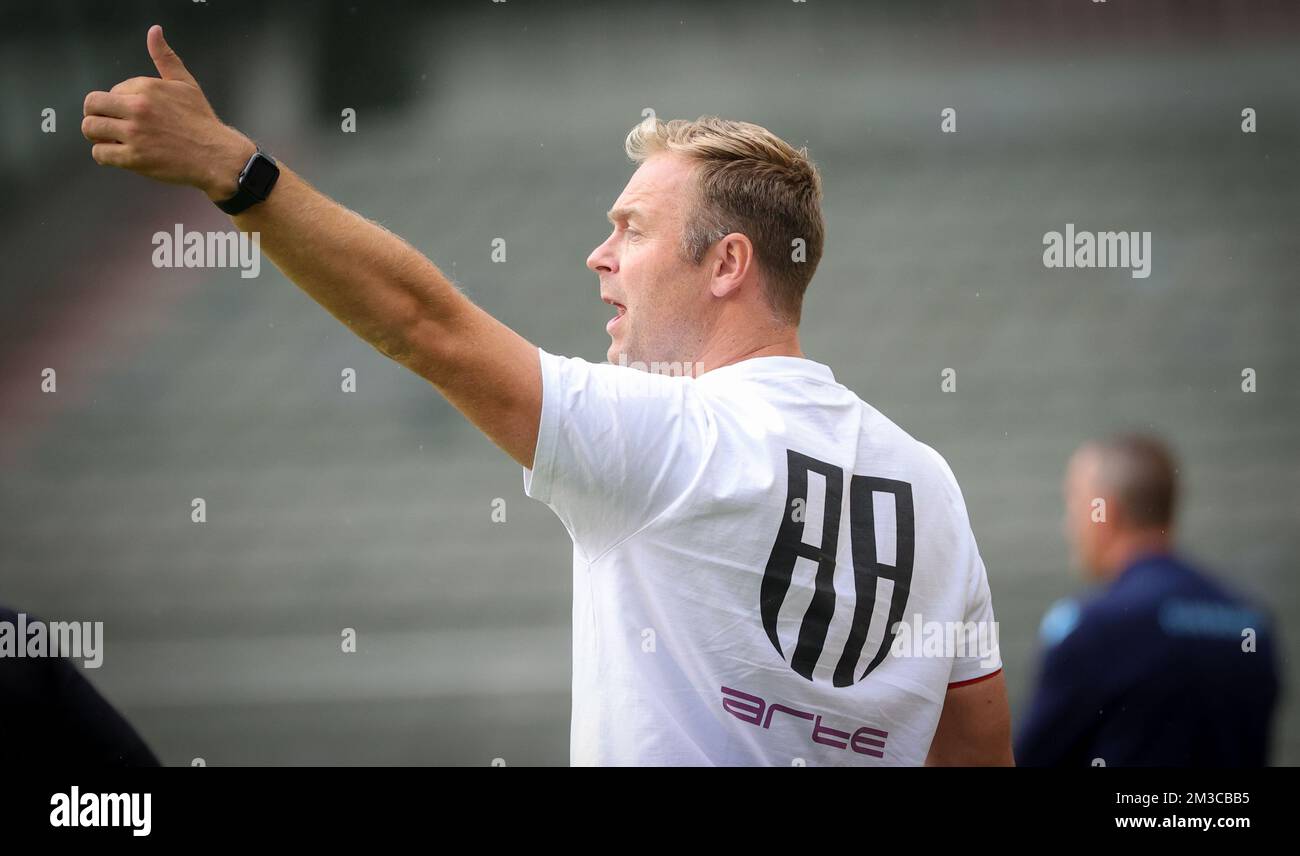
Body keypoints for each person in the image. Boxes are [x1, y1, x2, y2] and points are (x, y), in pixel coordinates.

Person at [81, 25, 1012, 765]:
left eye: (632, 230)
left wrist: (235, 173)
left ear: (728, 262)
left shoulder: (665, 435)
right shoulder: (931, 486)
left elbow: (423, 323)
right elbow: (974, 754)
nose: (598, 256)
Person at [1016, 434, 1280, 766]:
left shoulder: (1093, 628)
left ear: (1105, 512)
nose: (1067, 525)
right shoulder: (1250, 623)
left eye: (1073, 505)